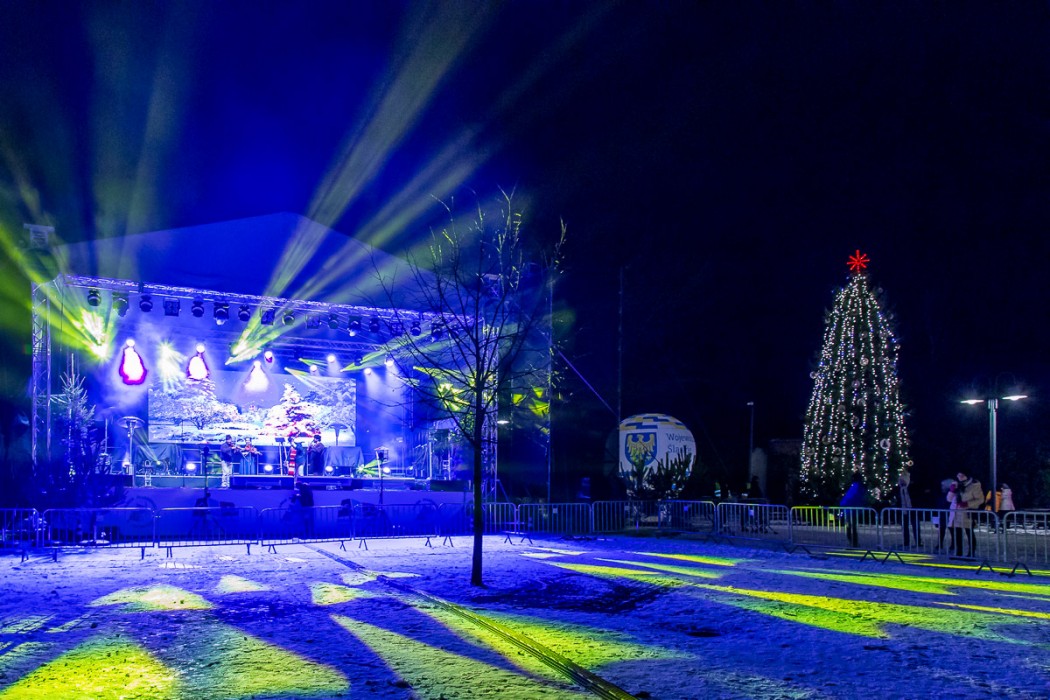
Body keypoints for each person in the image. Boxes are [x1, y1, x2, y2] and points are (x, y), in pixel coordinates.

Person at [956, 470, 984, 557]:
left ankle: (971, 553)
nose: (959, 477)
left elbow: (980, 499)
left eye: (962, 475)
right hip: (958, 512)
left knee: (969, 533)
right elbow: (950, 499)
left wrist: (968, 504)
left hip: (969, 512)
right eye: (958, 476)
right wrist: (951, 491)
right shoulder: (958, 485)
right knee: (958, 532)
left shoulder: (974, 485)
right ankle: (959, 552)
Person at [840, 472, 867, 548]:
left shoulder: (853, 487)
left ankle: (852, 542)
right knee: (853, 527)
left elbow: (847, 499)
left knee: (850, 527)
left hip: (849, 509)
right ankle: (854, 543)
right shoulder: (860, 487)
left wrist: (842, 505)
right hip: (854, 509)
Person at [898, 465, 922, 548]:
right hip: (904, 507)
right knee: (905, 525)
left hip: (912, 507)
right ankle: (906, 541)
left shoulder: (911, 480)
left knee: (915, 525)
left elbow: (917, 494)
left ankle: (918, 541)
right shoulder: (900, 486)